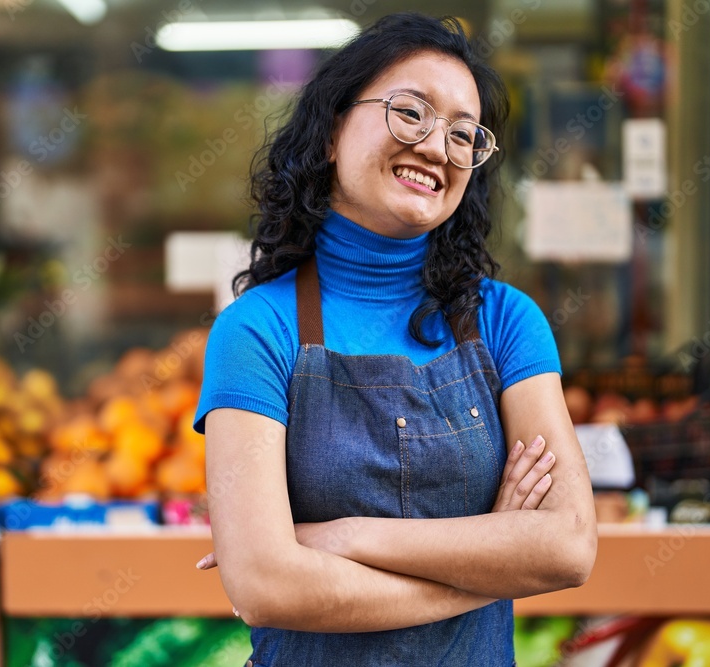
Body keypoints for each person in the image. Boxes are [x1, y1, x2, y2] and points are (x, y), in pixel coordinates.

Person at [192, 12, 597, 666]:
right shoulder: (257, 330)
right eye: (411, 113)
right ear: (329, 133)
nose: (439, 147)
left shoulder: (506, 322)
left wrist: (341, 537)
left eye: (465, 134)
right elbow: (265, 585)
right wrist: (492, 558)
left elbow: (568, 547)